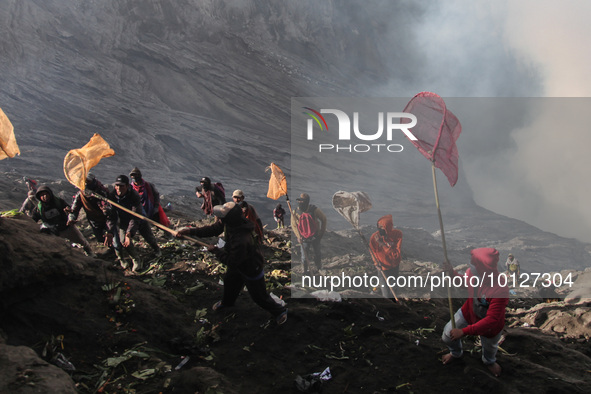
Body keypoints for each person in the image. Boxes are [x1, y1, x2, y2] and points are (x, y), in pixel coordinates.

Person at [175, 202, 287, 325]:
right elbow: (213, 229)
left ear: (229, 218)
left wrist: (216, 252)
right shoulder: (230, 223)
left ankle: (279, 311)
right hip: (237, 261)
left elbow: (232, 262)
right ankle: (227, 303)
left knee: (259, 296)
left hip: (250, 266)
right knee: (230, 283)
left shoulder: (242, 239)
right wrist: (190, 231)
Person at [441, 247, 509, 377]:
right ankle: (455, 353)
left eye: (474, 265)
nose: (470, 267)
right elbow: (464, 283)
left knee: (490, 347)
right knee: (447, 335)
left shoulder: (499, 289)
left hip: (490, 326)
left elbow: (492, 319)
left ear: (483, 268)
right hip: (469, 312)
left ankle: (489, 361)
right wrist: (452, 273)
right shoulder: (473, 273)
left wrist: (463, 332)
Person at [105, 175, 161, 272]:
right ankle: (136, 259)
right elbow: (112, 216)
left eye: (121, 186)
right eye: (117, 185)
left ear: (127, 186)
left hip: (139, 219)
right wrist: (110, 231)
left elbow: (135, 216)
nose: (118, 188)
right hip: (124, 221)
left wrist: (129, 233)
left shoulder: (134, 196)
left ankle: (156, 249)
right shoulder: (112, 197)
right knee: (124, 241)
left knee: (149, 237)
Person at [32, 185, 95, 257]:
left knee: (81, 241)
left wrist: (68, 212)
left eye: (46, 194)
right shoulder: (38, 209)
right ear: (39, 197)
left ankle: (90, 253)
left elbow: (69, 210)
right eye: (42, 195)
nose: (45, 197)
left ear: (50, 194)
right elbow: (33, 220)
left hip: (67, 226)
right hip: (54, 231)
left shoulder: (58, 202)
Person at [66, 173, 118, 248]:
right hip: (94, 221)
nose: (86, 184)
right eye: (84, 182)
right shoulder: (80, 195)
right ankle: (112, 250)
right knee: (101, 238)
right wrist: (71, 218)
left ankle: (119, 253)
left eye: (88, 181)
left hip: (107, 219)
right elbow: (74, 209)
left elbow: (110, 208)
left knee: (114, 239)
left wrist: (106, 210)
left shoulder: (102, 192)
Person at [369, 214, 403, 298]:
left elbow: (396, 255)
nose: (380, 229)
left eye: (382, 227)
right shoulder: (374, 237)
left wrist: (383, 245)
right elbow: (372, 251)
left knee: (393, 291)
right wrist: (376, 263)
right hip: (382, 268)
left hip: (394, 266)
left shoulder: (397, 235)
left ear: (387, 227)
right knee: (386, 294)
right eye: (378, 227)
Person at [293, 193, 327, 273]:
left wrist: (321, 233)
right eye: (300, 201)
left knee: (317, 253)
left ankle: (319, 267)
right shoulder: (296, 211)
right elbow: (294, 225)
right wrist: (298, 236)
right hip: (303, 238)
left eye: (302, 201)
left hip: (315, 236)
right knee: (304, 256)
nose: (300, 203)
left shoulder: (314, 210)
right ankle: (304, 270)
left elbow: (324, 219)